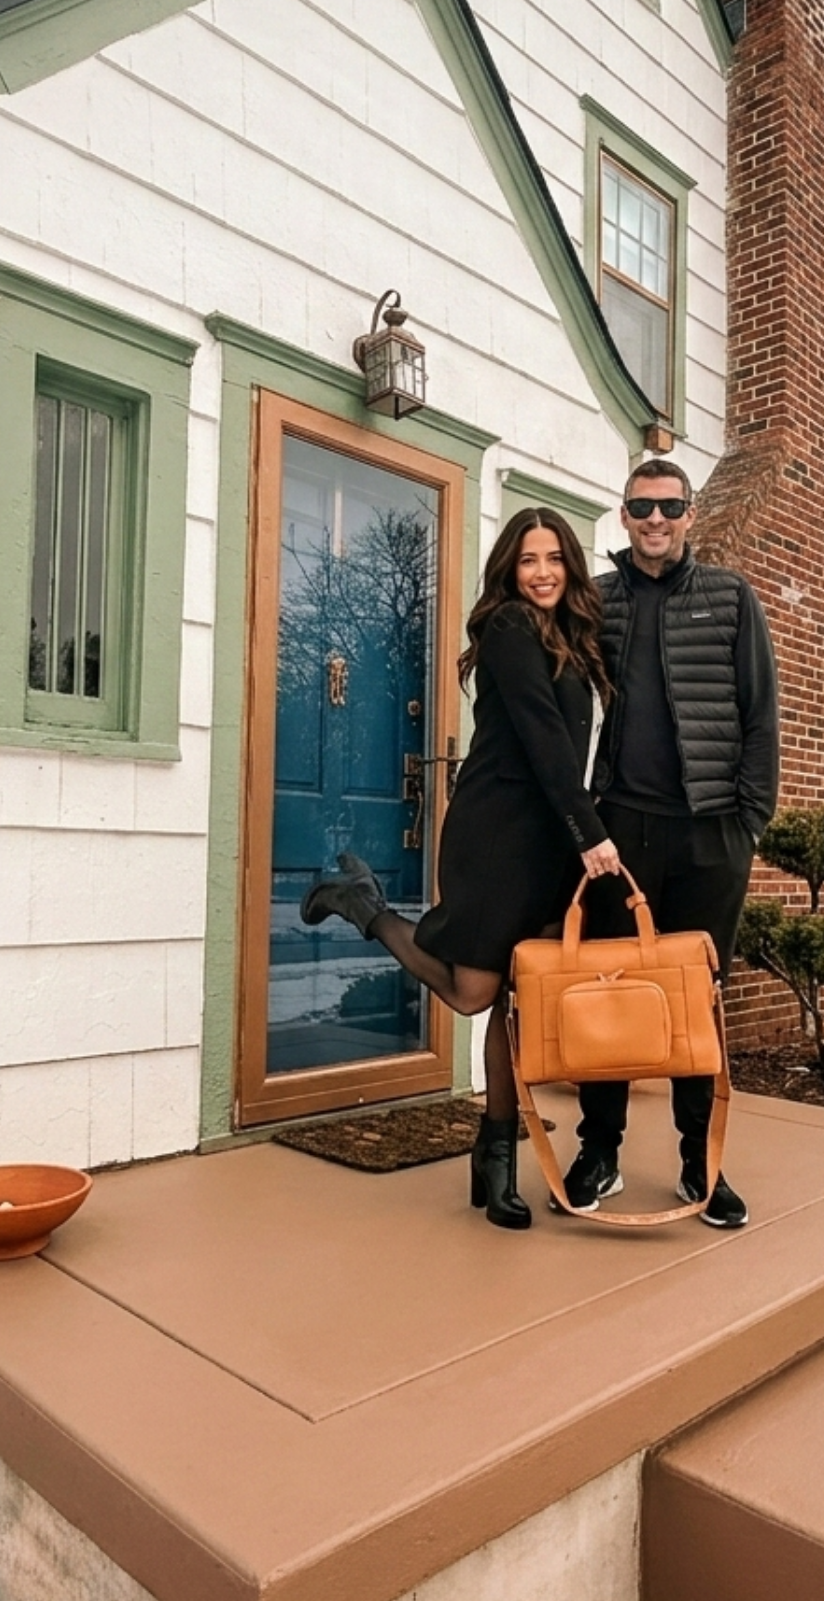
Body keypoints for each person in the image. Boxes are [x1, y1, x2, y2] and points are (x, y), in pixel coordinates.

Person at [298, 507, 621, 1230]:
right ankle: (365, 906)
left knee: (517, 1001)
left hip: (549, 844)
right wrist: (590, 832)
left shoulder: (573, 636)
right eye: (526, 559)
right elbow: (541, 736)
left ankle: (494, 1157)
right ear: (508, 569)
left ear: (569, 565)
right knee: (475, 992)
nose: (540, 571)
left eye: (553, 558)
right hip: (498, 835)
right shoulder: (508, 628)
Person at [557, 459, 779, 1228]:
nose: (655, 519)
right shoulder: (599, 599)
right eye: (640, 506)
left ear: (690, 514)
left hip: (709, 830)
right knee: (606, 991)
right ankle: (600, 1150)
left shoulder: (728, 597)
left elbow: (759, 711)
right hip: (618, 831)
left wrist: (749, 817)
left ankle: (699, 1159)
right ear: (622, 515)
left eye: (669, 506)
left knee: (697, 998)